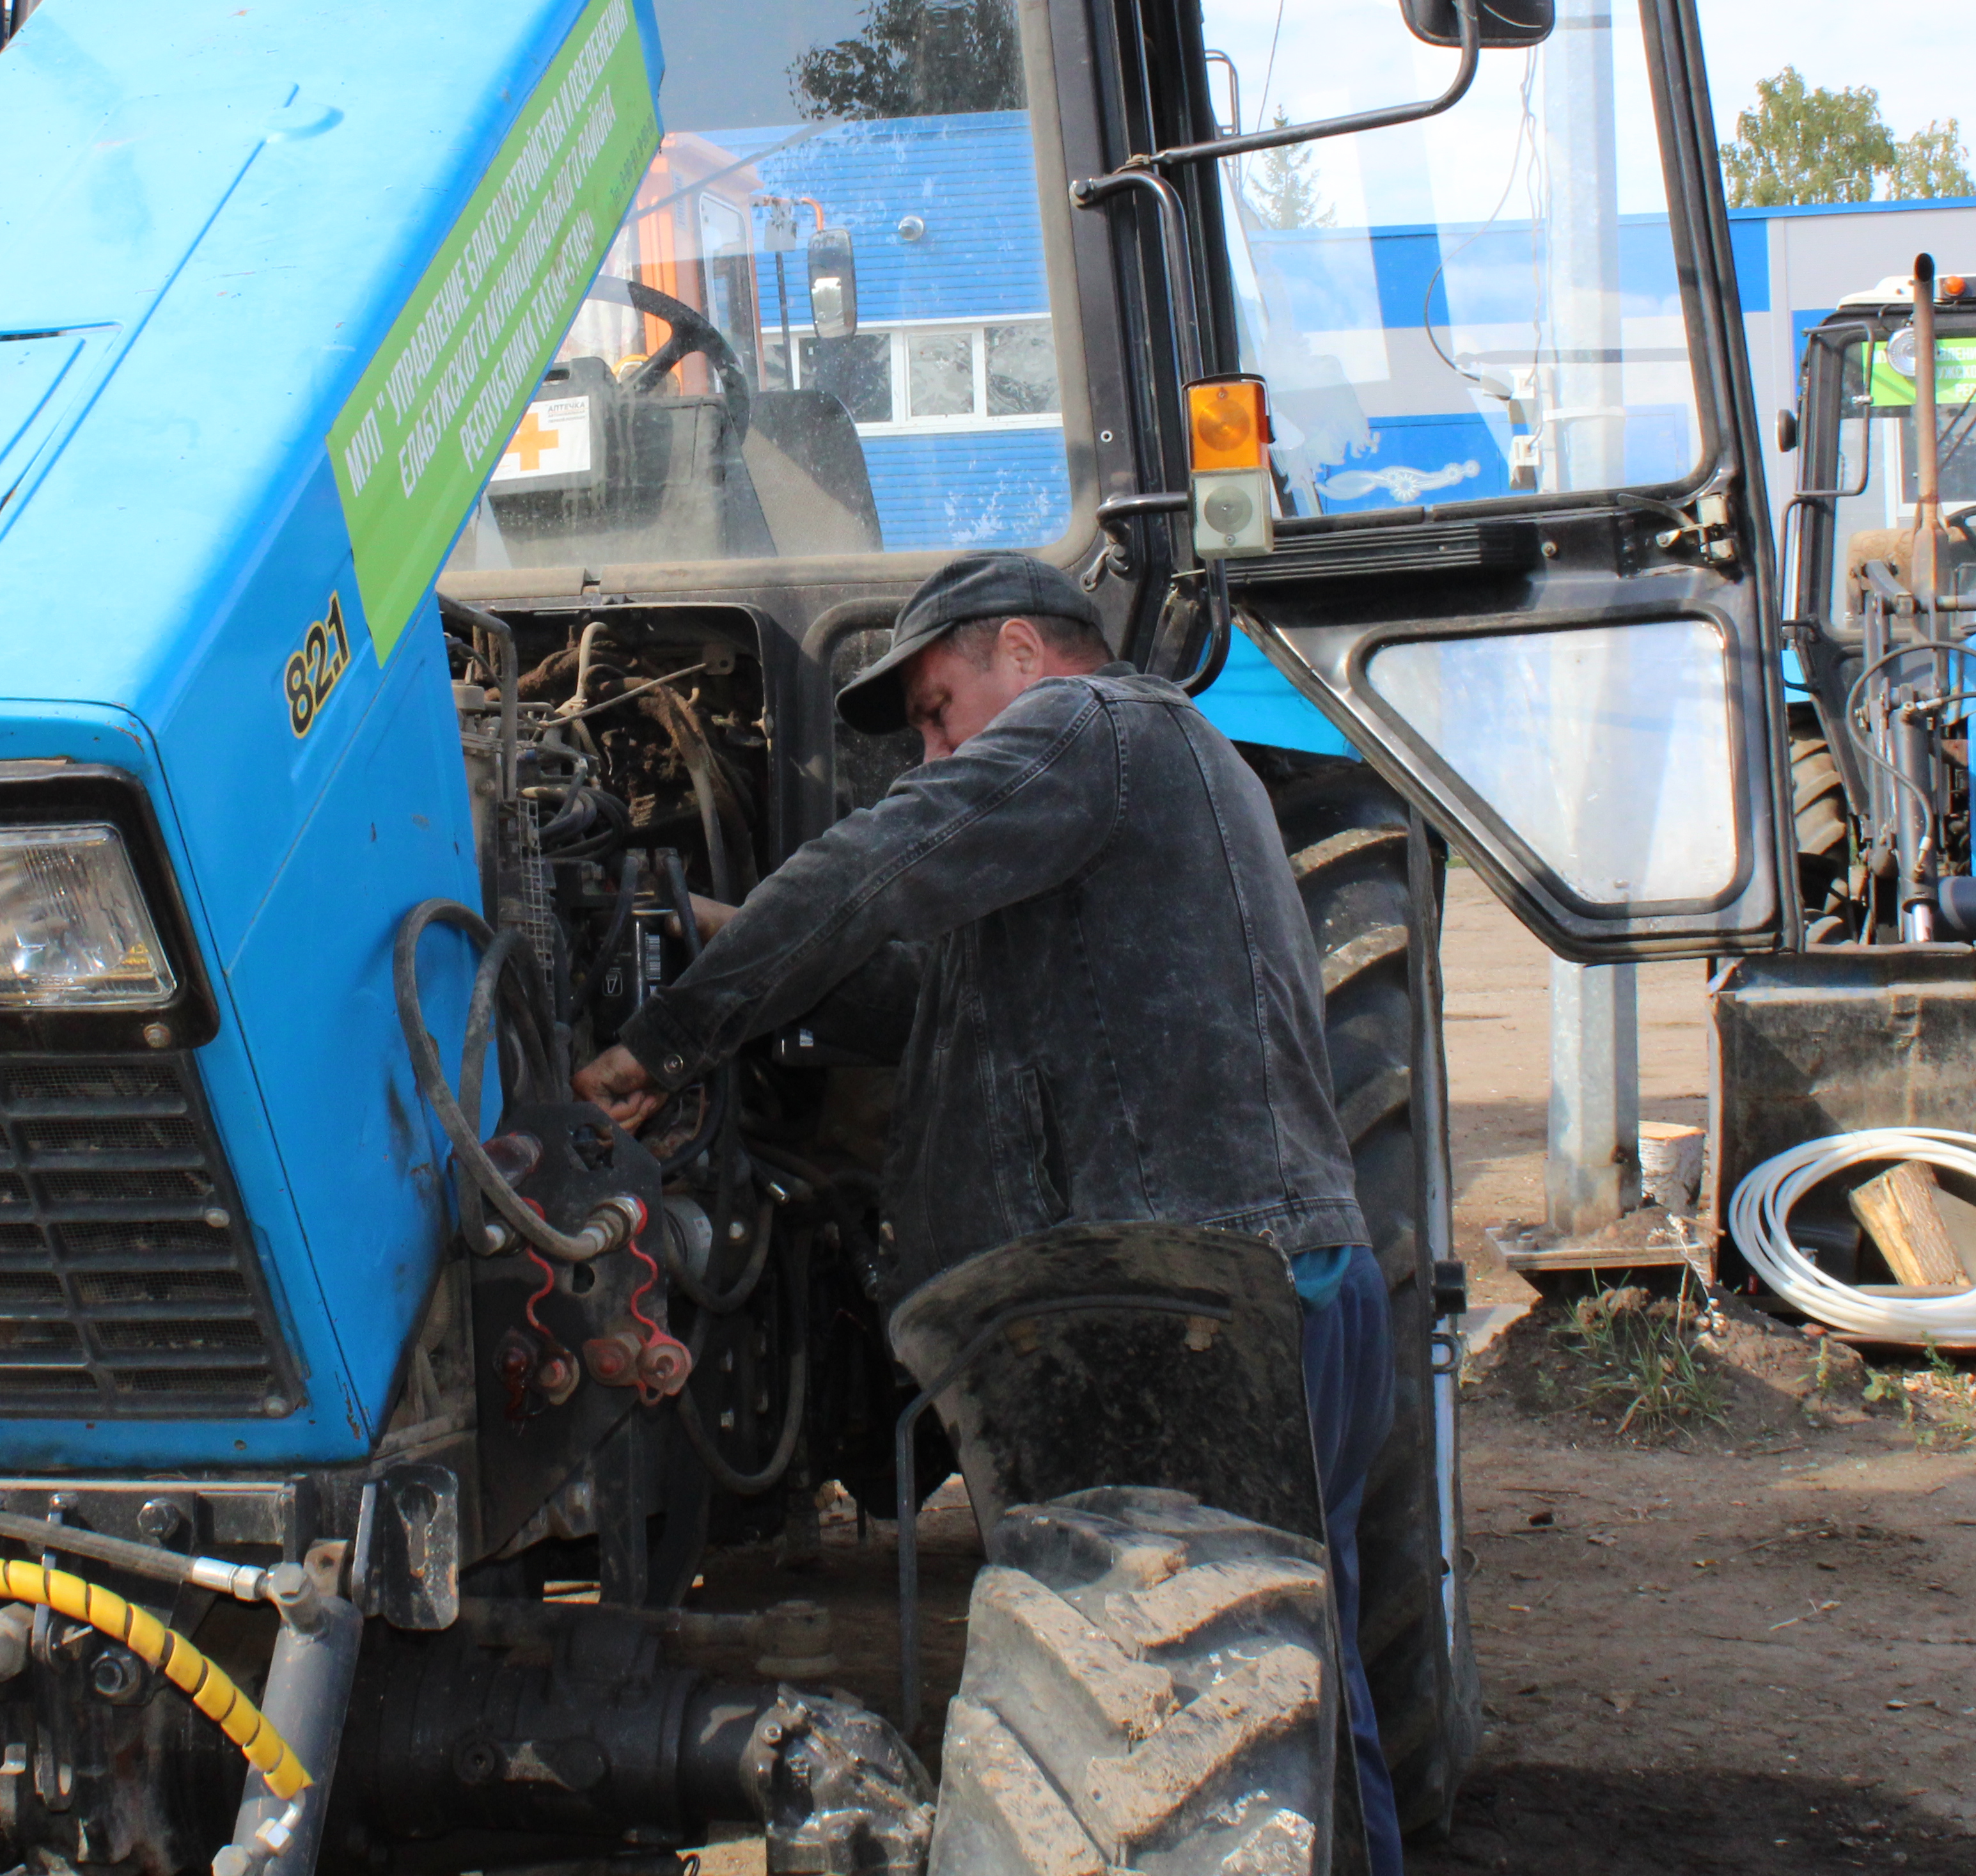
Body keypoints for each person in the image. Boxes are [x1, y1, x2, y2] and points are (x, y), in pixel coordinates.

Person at [572, 549, 1406, 1874]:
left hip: (1192, 1300)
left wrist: (666, 1038)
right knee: (1289, 1694)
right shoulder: (1144, 802)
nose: (930, 746)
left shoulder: (1097, 726)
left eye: (937, 705)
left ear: (1022, 646)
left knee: (1205, 1695)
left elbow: (882, 858)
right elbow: (920, 1004)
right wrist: (728, 937)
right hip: (1269, 1276)